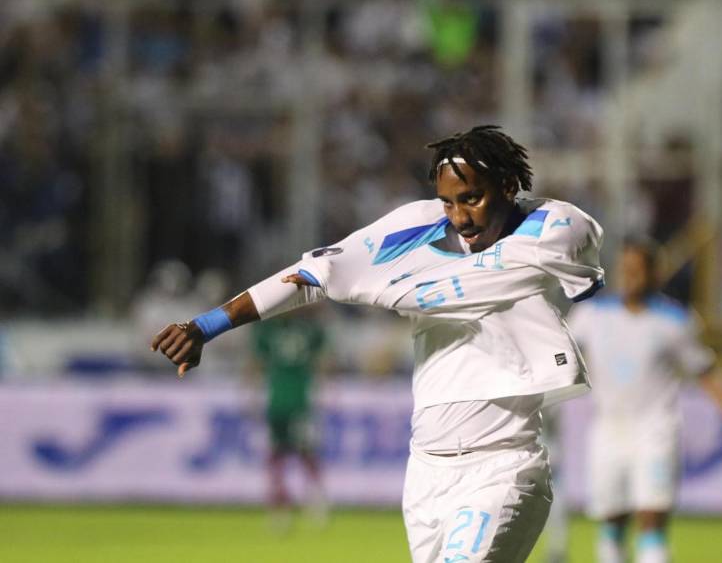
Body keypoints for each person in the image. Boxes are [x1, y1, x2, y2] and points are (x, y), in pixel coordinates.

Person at [151, 125, 605, 563]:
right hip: (426, 468)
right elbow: (314, 275)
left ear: (508, 185)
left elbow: (581, 268)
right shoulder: (412, 229)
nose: (461, 217)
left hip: (504, 463)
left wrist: (420, 287)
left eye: (472, 198)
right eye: (448, 202)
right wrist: (205, 326)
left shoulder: (552, 228)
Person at [568, 238, 722, 563]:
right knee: (611, 525)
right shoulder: (591, 315)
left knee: (652, 522)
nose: (630, 276)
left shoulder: (674, 321)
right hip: (608, 430)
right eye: (625, 269)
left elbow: (706, 372)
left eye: (638, 270)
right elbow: (559, 355)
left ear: (654, 274)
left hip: (655, 431)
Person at [251, 310, 328, 528]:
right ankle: (288, 505)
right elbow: (322, 362)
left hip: (291, 399)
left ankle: (308, 503)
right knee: (286, 455)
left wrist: (252, 394)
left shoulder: (270, 330)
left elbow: (256, 364)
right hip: (288, 400)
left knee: (298, 453)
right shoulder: (307, 330)